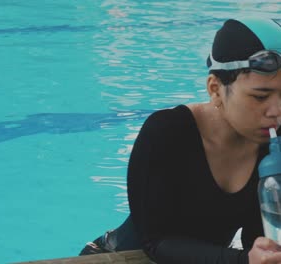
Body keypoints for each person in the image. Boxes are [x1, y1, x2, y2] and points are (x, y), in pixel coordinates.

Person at [80, 18, 281, 263]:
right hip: (119, 257)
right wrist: (241, 261)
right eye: (260, 97)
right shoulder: (167, 133)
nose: (276, 111)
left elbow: (260, 240)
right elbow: (156, 241)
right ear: (215, 88)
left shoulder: (273, 142)